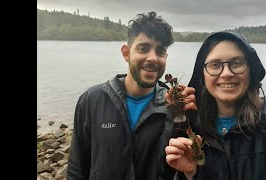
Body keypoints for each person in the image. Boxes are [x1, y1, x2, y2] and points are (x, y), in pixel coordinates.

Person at [66, 11, 197, 180]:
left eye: (160, 51)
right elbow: (77, 169)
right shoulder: (92, 100)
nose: (153, 58)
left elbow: (178, 171)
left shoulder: (174, 108)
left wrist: (187, 117)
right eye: (143, 48)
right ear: (126, 53)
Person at [165, 31, 266, 180]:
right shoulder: (195, 126)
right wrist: (192, 174)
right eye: (215, 65)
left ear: (251, 71)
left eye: (236, 63)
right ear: (203, 77)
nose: (226, 73)